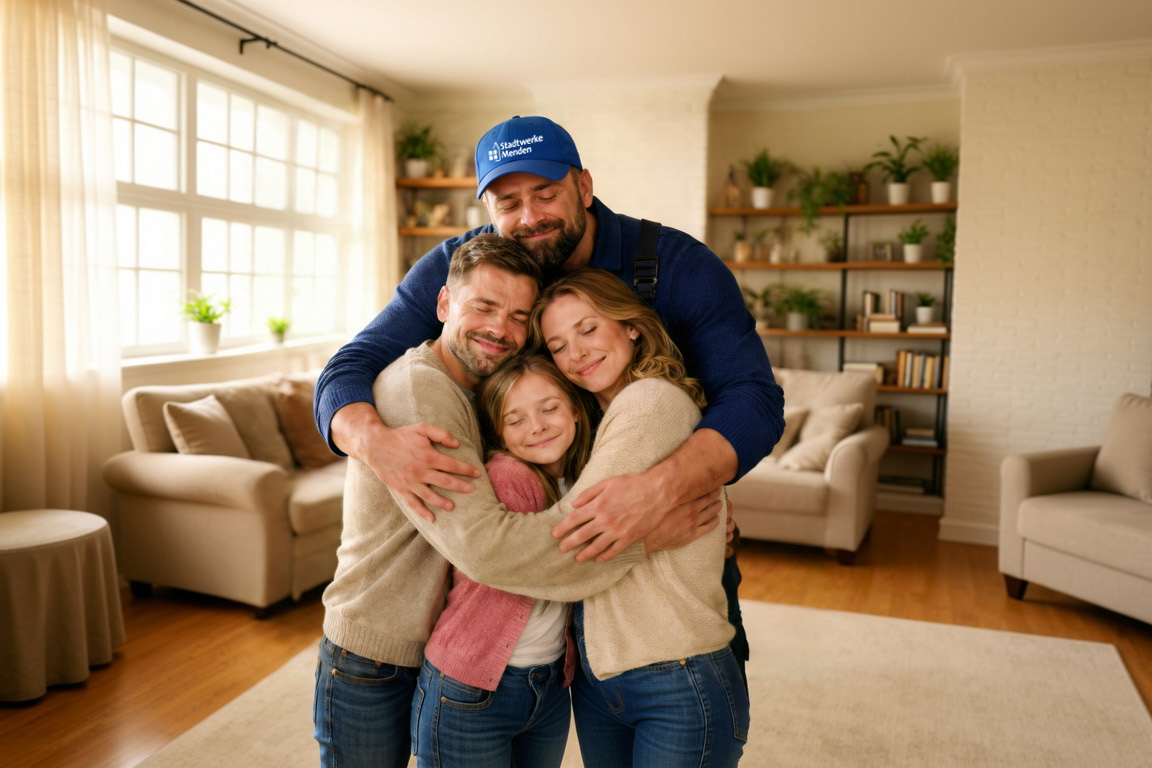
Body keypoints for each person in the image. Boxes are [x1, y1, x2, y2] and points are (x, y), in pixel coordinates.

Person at [315, 115, 785, 675]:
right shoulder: (459, 266)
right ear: (487, 208)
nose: (529, 216)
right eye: (508, 202)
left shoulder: (677, 265)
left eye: (545, 193)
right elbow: (351, 364)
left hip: (670, 557)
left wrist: (662, 489)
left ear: (583, 187)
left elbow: (754, 400)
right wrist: (374, 443)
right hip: (541, 576)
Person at [314, 234, 714, 767]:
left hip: (448, 645)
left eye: (518, 316)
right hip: (375, 652)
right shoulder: (420, 391)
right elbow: (484, 548)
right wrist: (643, 537)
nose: (499, 328)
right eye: (483, 306)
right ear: (443, 305)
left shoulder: (491, 390)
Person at [531, 266, 748, 766]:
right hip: (605, 676)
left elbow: (568, 543)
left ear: (631, 325)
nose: (576, 353)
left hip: (676, 674)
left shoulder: (650, 402)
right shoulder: (594, 422)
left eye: (588, 329)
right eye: (559, 346)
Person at [413, 354, 594, 767]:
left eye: (549, 408)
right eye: (516, 420)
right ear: (499, 432)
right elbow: (554, 566)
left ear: (576, 409)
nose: (537, 426)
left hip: (547, 683)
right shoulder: (509, 474)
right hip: (471, 685)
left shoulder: (582, 476)